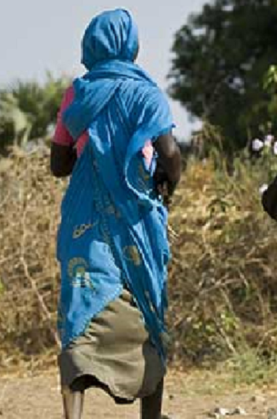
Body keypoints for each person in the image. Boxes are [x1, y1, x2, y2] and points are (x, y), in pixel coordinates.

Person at [50, 9, 181, 419]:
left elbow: (58, 164)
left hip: (86, 223)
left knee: (81, 309)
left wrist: (88, 149)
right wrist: (165, 184)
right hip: (137, 221)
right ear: (133, 46)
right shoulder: (147, 94)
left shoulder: (79, 94)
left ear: (89, 46)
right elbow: (171, 154)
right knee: (145, 310)